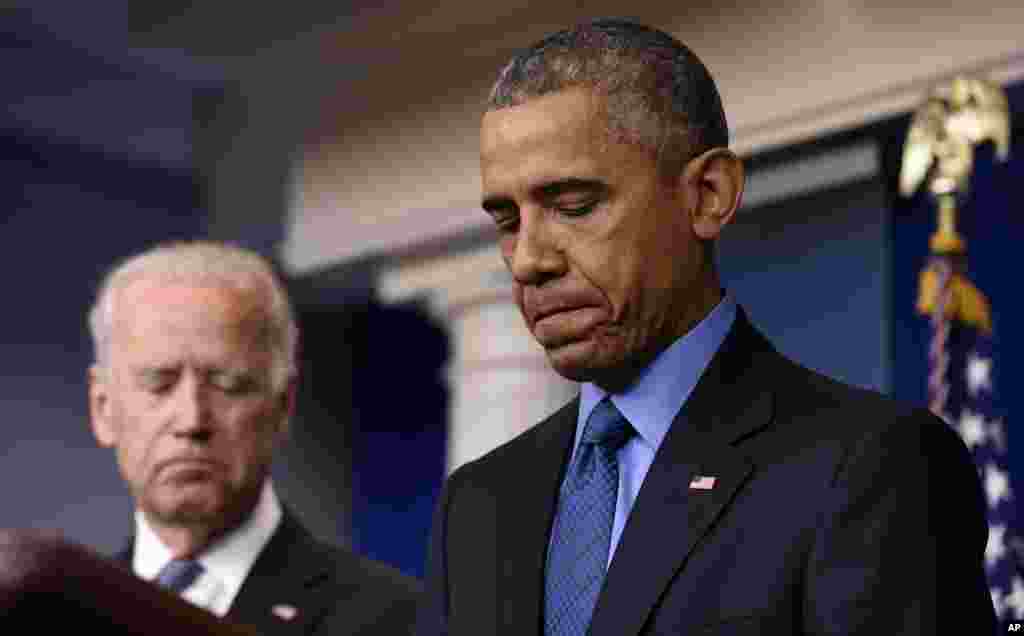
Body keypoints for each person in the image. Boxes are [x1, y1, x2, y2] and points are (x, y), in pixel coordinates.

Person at [418, 18, 996, 635]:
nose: (529, 258)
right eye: (507, 221)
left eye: (574, 205)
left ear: (708, 195)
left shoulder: (870, 469)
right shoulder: (477, 507)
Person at [87, 241, 420, 635]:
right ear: (103, 408)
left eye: (228, 385)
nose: (192, 420)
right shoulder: (52, 619)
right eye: (159, 383)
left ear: (283, 406)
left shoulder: (399, 620)